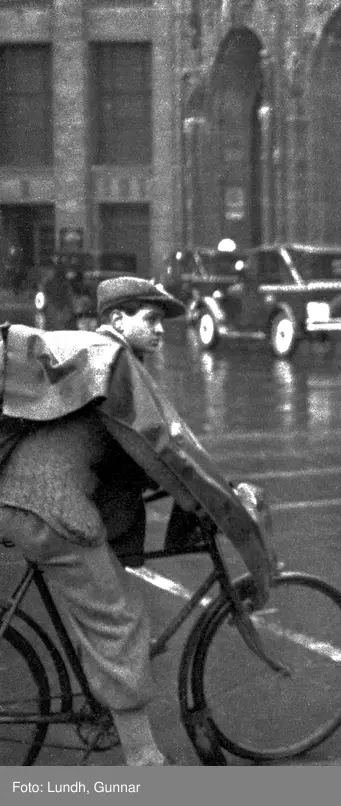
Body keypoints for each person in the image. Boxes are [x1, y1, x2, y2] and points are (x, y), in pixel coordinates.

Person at [0, 277, 187, 765]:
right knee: (118, 618)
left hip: (24, 499)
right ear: (117, 319)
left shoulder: (91, 358)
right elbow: (158, 447)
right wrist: (204, 498)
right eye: (151, 319)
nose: (160, 330)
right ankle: (144, 760)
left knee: (104, 594)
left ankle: (109, 680)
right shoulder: (112, 362)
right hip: (50, 508)